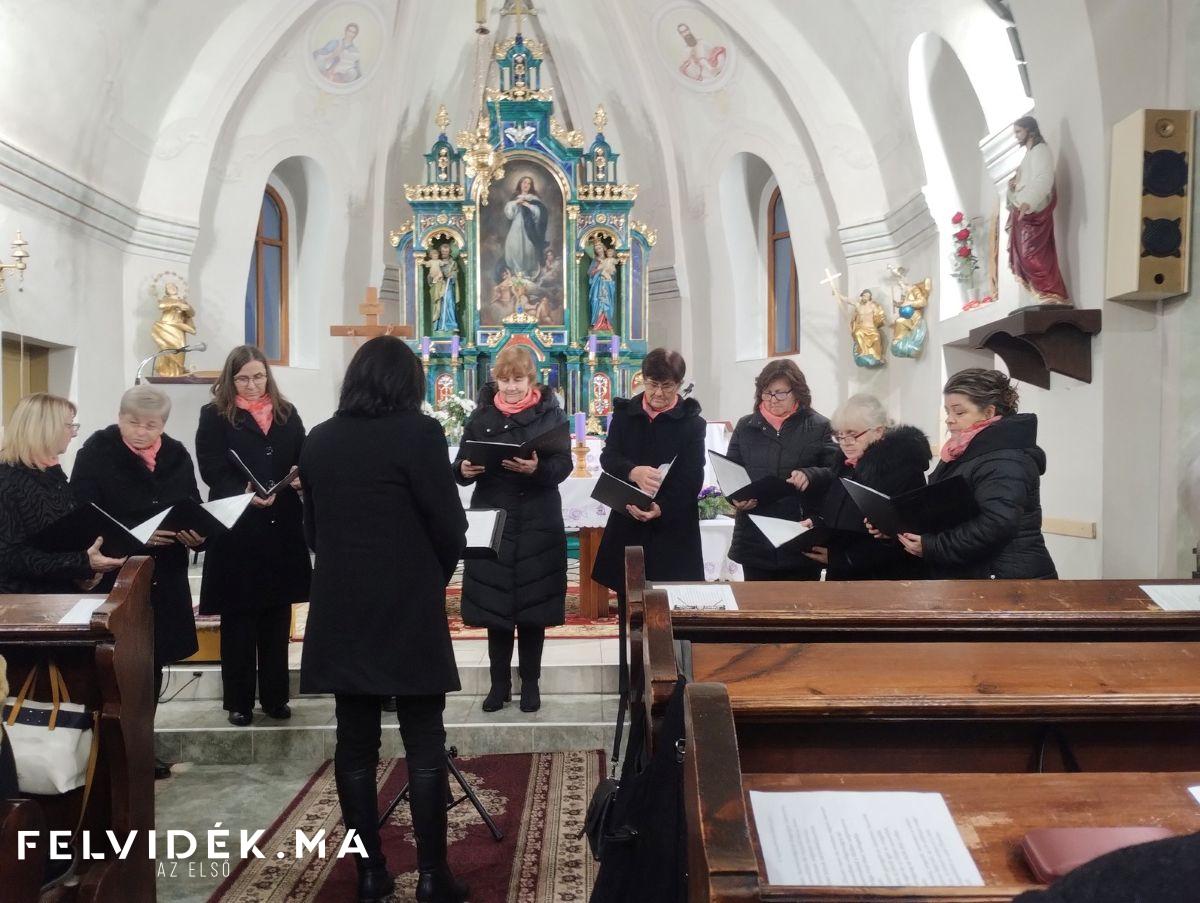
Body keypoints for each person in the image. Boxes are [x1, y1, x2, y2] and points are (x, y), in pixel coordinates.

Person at [300, 336, 468, 903]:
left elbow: (313, 530)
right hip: (407, 601)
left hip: (342, 604)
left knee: (354, 744)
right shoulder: (420, 434)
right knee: (424, 739)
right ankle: (433, 877)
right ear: (408, 383)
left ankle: (369, 875)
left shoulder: (319, 439)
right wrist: (429, 576)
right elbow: (450, 525)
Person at [70, 386, 204, 779]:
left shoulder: (176, 454)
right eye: (133, 423)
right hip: (117, 576)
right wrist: (136, 534)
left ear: (163, 425)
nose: (142, 432)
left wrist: (197, 533)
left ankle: (143, 747)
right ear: (119, 417)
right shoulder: (96, 453)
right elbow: (83, 515)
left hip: (165, 575)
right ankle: (111, 753)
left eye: (152, 425)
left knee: (152, 665)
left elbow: (192, 503)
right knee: (116, 667)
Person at [196, 346, 311, 727]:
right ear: (230, 380)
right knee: (239, 620)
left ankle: (276, 697)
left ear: (268, 377)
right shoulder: (214, 415)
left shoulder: (287, 412)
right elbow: (211, 467)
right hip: (239, 528)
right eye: (243, 378)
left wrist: (298, 478)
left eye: (258, 377)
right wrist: (242, 492)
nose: (251, 384)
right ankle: (239, 701)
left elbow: (303, 457)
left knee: (277, 617)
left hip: (280, 525)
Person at [455, 345, 571, 714]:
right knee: (496, 607)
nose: (511, 387)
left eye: (518, 379)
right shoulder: (480, 416)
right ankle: (499, 684)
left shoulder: (551, 415)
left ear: (531, 379)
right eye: (504, 380)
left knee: (534, 608)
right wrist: (463, 470)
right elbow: (460, 463)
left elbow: (563, 466)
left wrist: (537, 469)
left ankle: (531, 683)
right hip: (494, 518)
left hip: (538, 518)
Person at [884, 368, 1057, 579]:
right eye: (948, 411)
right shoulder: (964, 452)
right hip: (979, 573)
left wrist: (933, 546)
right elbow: (942, 511)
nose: (949, 420)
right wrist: (893, 526)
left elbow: (996, 524)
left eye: (959, 412)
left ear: (989, 413)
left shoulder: (1005, 458)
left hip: (1007, 579)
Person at [592, 348, 705, 594]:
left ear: (679, 384)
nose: (659, 393)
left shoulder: (692, 423)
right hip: (628, 517)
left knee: (671, 600)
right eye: (653, 384)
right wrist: (633, 472)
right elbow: (609, 457)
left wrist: (660, 507)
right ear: (643, 379)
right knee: (628, 597)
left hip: (672, 524)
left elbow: (692, 477)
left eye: (667, 386)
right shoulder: (625, 415)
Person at [0, 394, 125, 594]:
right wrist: (81, 563)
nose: (74, 434)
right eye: (70, 426)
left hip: (58, 594)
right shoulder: (7, 481)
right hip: (21, 600)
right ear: (46, 429)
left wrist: (82, 575)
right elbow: (8, 557)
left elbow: (62, 540)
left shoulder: (52, 476)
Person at [724, 360, 836, 582]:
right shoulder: (746, 426)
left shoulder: (820, 426)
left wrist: (811, 474)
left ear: (797, 392)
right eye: (767, 393)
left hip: (799, 534)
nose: (773, 400)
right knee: (756, 602)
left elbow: (836, 471)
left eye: (781, 393)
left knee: (801, 602)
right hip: (755, 537)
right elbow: (730, 471)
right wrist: (735, 499)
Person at [802, 394, 931, 580]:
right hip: (843, 575)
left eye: (853, 434)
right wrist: (818, 523)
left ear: (878, 431)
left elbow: (906, 536)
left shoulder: (904, 471)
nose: (845, 443)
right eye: (840, 435)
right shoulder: (846, 465)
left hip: (882, 581)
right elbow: (840, 515)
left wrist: (843, 558)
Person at [1007, 115, 1070, 304]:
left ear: (1030, 130)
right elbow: (1026, 179)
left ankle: (1051, 291)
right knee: (1026, 253)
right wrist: (1015, 185)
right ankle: (1045, 292)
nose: (1016, 136)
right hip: (1024, 211)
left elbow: (1044, 179)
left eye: (1018, 131)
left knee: (1031, 253)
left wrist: (1028, 201)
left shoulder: (1041, 151)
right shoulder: (1030, 154)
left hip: (1033, 211)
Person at [503, 174, 548, 278]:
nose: (526, 185)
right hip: (516, 226)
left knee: (529, 249)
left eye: (529, 183)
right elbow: (509, 214)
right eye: (524, 182)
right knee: (514, 247)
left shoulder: (534, 199)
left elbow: (540, 213)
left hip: (529, 228)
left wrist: (529, 206)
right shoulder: (515, 198)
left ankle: (527, 275)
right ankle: (518, 273)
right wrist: (516, 202)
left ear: (531, 186)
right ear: (520, 184)